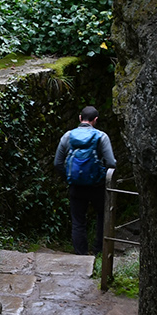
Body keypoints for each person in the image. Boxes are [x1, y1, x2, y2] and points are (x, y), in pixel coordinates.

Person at [54, 105, 117, 255]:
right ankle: (99, 251)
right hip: (97, 186)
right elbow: (111, 163)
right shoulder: (101, 137)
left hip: (76, 186)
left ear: (80, 118)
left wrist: (69, 177)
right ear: (95, 120)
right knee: (102, 216)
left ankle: (80, 254)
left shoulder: (67, 136)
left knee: (78, 221)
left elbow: (57, 163)